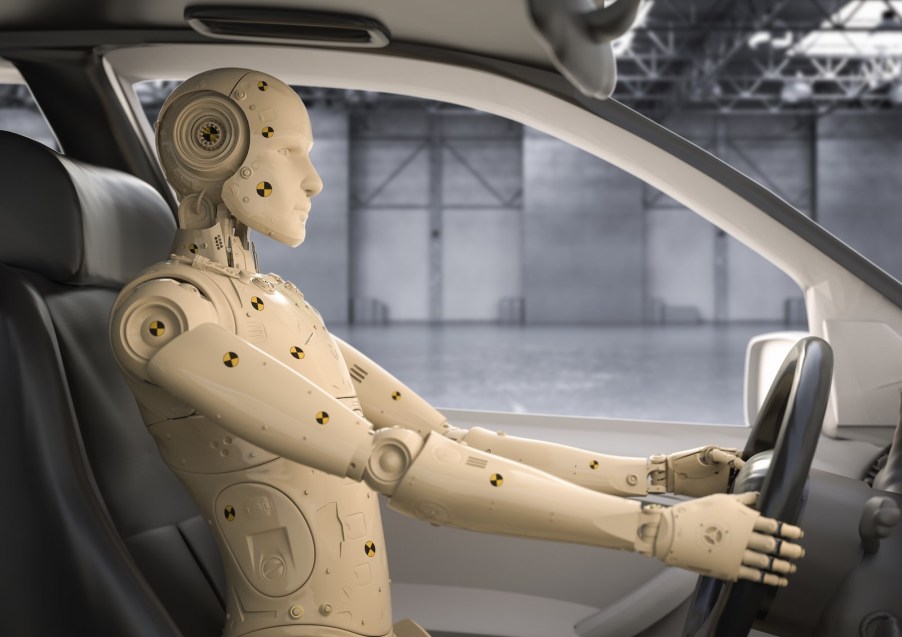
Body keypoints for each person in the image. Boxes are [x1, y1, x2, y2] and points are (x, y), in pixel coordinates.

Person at [110, 68, 804, 637]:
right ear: (214, 142)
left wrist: (660, 473)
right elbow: (388, 461)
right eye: (292, 152)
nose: (314, 181)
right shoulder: (166, 317)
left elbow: (442, 438)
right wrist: (660, 529)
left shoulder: (276, 301)